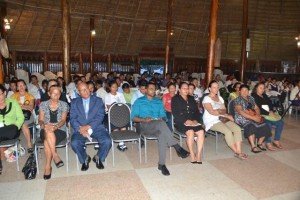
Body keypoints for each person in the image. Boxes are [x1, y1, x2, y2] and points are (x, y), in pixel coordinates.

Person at [131, 82, 190, 176]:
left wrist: (162, 118)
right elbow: (133, 118)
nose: (153, 90)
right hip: (145, 125)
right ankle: (177, 147)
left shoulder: (158, 101)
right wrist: (143, 119)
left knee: (162, 133)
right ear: (146, 90)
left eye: (154, 89)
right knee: (161, 125)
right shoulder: (139, 101)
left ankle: (161, 164)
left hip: (158, 124)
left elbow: (164, 116)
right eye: (150, 88)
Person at [70, 82, 111, 171]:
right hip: (80, 129)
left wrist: (88, 127)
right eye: (83, 90)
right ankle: (85, 158)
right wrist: (80, 128)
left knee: (107, 141)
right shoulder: (74, 102)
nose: (86, 91)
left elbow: (100, 116)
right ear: (78, 92)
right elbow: (72, 118)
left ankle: (98, 157)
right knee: (74, 143)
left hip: (96, 127)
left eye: (87, 89)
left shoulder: (98, 100)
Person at [203, 81, 247, 160]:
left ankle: (239, 151)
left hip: (222, 118)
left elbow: (224, 110)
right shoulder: (206, 98)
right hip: (211, 120)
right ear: (209, 88)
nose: (216, 89)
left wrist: (219, 112)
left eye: (217, 87)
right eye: (214, 87)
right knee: (228, 131)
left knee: (237, 129)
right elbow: (212, 112)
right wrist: (220, 111)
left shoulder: (220, 98)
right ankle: (237, 152)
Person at [38, 86, 69, 179]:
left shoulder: (64, 104)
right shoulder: (43, 104)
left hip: (60, 129)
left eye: (58, 94)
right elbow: (40, 120)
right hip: (45, 128)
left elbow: (63, 120)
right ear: (49, 94)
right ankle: (55, 155)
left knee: (46, 140)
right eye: (54, 93)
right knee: (48, 131)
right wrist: (44, 126)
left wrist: (55, 127)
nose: (57, 96)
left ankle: (48, 167)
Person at [172, 82, 205, 163]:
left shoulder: (191, 98)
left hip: (193, 121)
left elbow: (197, 112)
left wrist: (195, 120)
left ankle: (198, 154)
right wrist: (185, 120)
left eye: (187, 88)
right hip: (181, 122)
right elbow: (175, 113)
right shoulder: (175, 99)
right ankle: (192, 154)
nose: (186, 90)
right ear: (179, 90)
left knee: (201, 131)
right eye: (184, 88)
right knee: (190, 132)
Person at [234, 84, 272, 153]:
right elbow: (240, 111)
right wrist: (253, 118)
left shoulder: (251, 98)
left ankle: (259, 143)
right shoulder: (237, 100)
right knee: (250, 126)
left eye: (246, 90)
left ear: (248, 91)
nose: (244, 92)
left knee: (265, 125)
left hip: (252, 116)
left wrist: (257, 116)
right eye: (242, 90)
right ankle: (253, 146)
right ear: (239, 91)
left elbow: (256, 108)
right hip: (241, 118)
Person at [251, 83, 284, 150]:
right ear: (256, 88)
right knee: (267, 124)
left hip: (269, 114)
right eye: (260, 88)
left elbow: (270, 103)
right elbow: (257, 108)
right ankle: (268, 142)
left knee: (281, 123)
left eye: (263, 88)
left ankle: (276, 140)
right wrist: (267, 113)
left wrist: (271, 110)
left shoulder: (264, 95)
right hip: (260, 115)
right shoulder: (253, 96)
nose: (262, 90)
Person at [0, 84, 24, 174]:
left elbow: (21, 117)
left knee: (12, 129)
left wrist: (16, 125)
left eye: (0, 94)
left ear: (5, 93)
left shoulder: (13, 102)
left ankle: (7, 151)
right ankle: (6, 152)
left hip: (11, 129)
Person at [10, 79, 35, 152]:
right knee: (19, 122)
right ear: (17, 88)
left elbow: (31, 107)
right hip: (15, 116)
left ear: (25, 86)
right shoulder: (12, 96)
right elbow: (11, 108)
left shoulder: (30, 96)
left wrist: (20, 105)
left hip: (28, 116)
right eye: (19, 86)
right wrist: (24, 106)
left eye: (22, 85)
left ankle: (29, 143)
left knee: (22, 123)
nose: (21, 87)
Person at [104, 81, 127, 151]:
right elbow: (109, 107)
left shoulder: (120, 94)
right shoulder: (107, 96)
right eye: (113, 87)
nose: (115, 88)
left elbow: (124, 105)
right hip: (111, 114)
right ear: (110, 88)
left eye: (116, 87)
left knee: (123, 127)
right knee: (115, 127)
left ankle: (121, 142)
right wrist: (116, 106)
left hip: (120, 113)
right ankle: (119, 142)